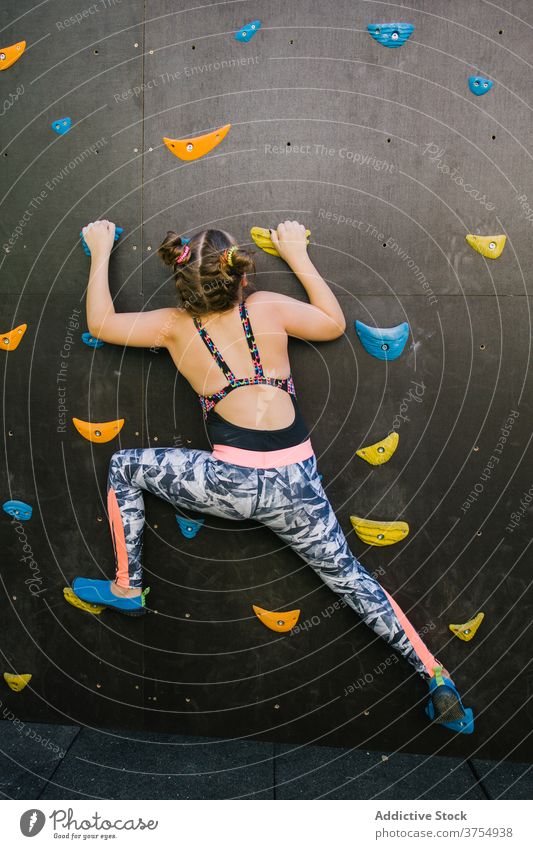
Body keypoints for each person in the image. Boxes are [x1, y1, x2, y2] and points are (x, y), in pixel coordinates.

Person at [72, 219, 474, 733]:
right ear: (243, 277)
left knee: (124, 467)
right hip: (297, 487)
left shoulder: (172, 326)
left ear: (183, 285)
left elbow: (102, 322)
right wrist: (295, 253)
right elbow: (332, 323)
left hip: (229, 484)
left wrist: (101, 250)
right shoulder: (265, 308)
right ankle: (437, 677)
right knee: (352, 579)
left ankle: (128, 586)